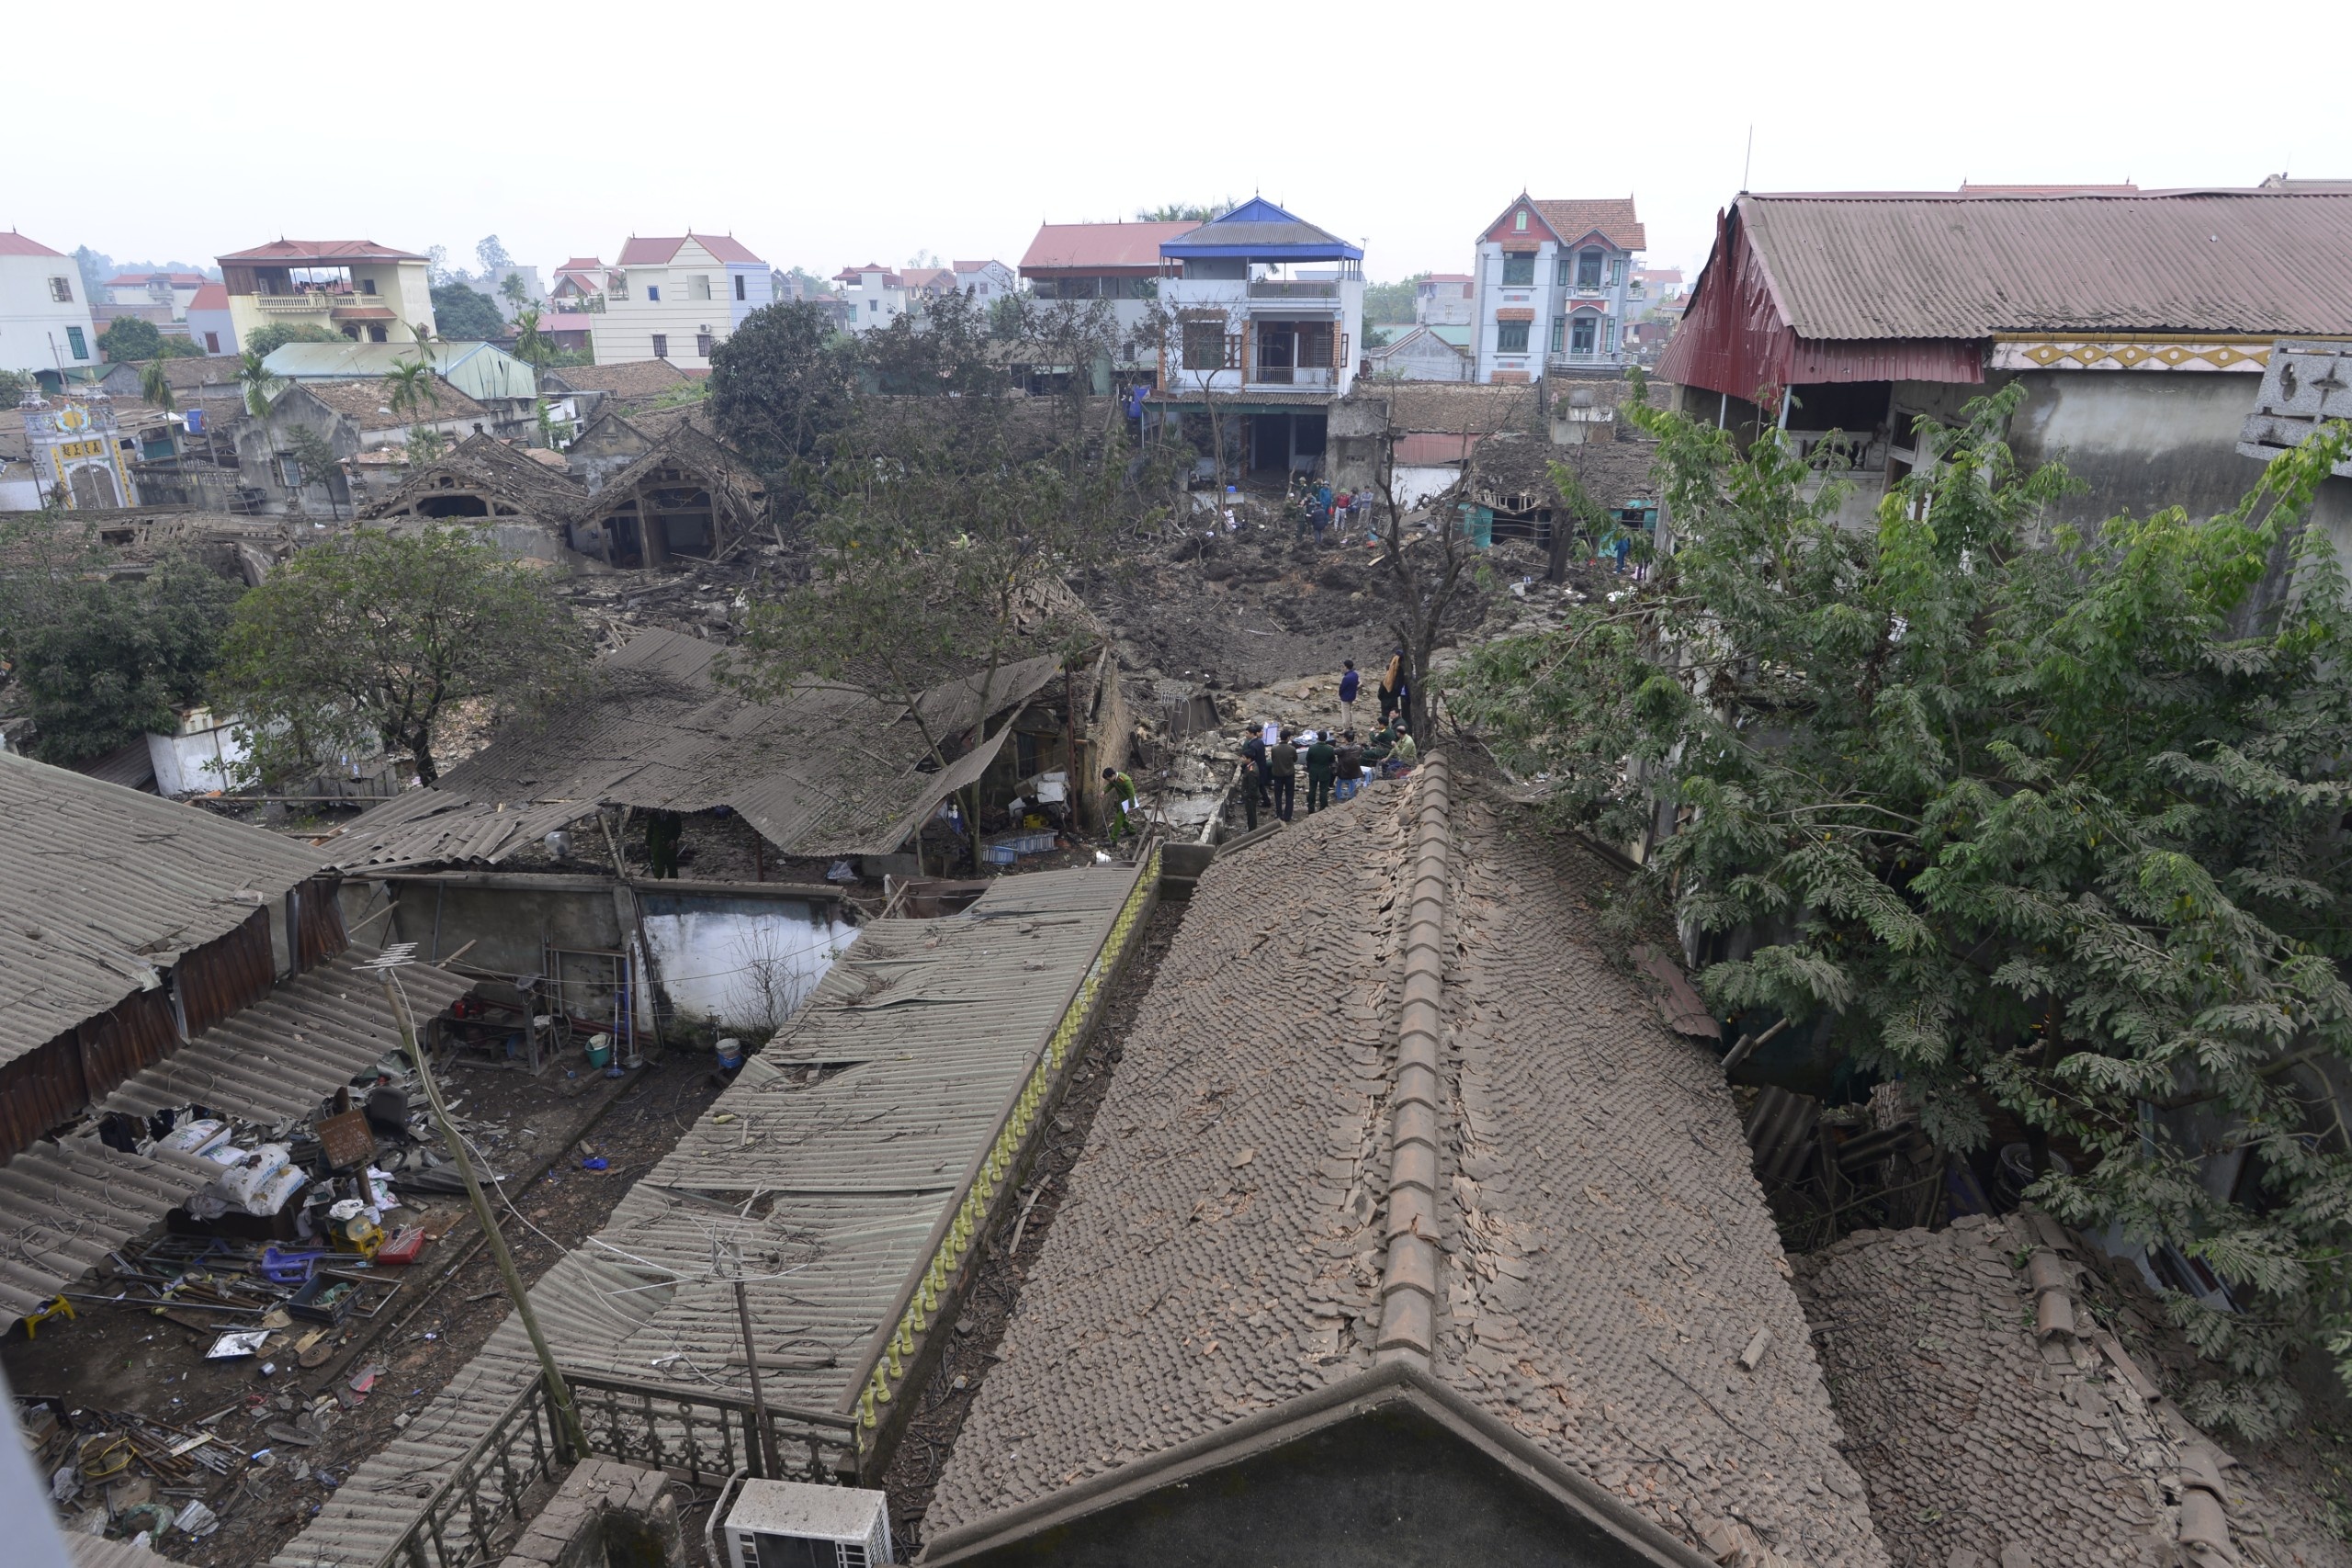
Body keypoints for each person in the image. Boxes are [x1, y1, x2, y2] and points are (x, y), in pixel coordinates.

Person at [1101, 767, 1137, 843]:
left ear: (1113, 775)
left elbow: (1132, 795)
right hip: (1121, 801)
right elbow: (1111, 785)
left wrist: (1131, 806)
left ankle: (1112, 839)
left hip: (1127, 802)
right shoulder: (1115, 779)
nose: (1108, 781)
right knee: (1121, 818)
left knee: (1118, 819)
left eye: (1108, 779)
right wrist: (1104, 791)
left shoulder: (1126, 780)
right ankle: (1131, 830)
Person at [1267, 729, 1297, 822]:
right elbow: (1295, 759)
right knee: (1289, 795)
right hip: (1289, 775)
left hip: (1278, 775)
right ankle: (1287, 816)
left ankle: (1279, 814)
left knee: (1278, 795)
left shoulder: (1274, 749)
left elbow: (1273, 759)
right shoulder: (1292, 749)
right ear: (1288, 738)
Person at [1305, 730, 1337, 814]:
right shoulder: (1330, 749)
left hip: (1313, 771)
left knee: (1312, 789)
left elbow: (1308, 760)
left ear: (1318, 738)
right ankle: (1323, 807)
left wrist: (1309, 769)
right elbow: (1332, 761)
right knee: (1323, 790)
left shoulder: (1312, 748)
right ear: (1326, 738)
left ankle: (1311, 807)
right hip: (1324, 772)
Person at [1241, 728, 1271, 807]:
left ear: (1252, 734)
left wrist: (1245, 767)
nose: (1246, 735)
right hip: (1262, 766)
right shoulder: (1260, 741)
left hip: (1256, 767)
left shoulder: (1252, 745)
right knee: (1260, 785)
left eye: (1247, 733)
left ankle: (1261, 800)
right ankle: (1265, 800)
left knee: (1255, 785)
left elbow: (1251, 757)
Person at [1333, 729, 1363, 803]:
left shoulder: (1342, 749)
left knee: (1332, 765)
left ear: (1345, 738)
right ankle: (1351, 794)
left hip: (1343, 773)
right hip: (1355, 773)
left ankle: (1331, 786)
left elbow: (1332, 751)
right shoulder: (1359, 747)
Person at [1378, 650, 1403, 724]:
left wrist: (1383, 699)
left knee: (1384, 718)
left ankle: (1385, 728)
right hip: (1394, 701)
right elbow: (1398, 692)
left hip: (1385, 702)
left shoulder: (1385, 681)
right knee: (1395, 718)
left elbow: (1380, 693)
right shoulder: (1396, 681)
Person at [1338, 660, 1360, 733]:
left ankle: (1346, 728)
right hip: (1352, 696)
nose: (1342, 668)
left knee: (1345, 713)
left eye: (1343, 666)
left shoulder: (1346, 678)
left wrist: (1340, 694)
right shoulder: (1355, 675)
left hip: (1345, 697)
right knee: (1349, 711)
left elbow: (1342, 688)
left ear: (1346, 667)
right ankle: (1351, 725)